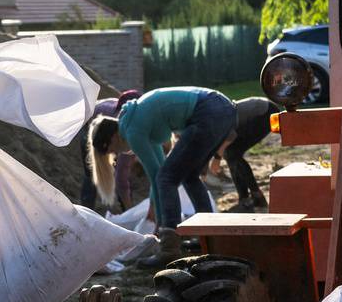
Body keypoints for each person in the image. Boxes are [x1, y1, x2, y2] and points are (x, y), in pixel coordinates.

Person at [86, 85, 236, 262]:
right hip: (223, 108)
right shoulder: (137, 119)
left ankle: (169, 247)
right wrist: (157, 216)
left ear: (112, 138)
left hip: (207, 111)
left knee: (168, 178)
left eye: (112, 151)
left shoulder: (132, 130)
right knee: (189, 176)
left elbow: (157, 177)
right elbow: (158, 171)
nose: (116, 154)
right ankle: (209, 235)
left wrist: (160, 225)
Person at [217, 97, 279, 211]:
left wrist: (217, 156)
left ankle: (255, 197)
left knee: (232, 153)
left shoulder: (214, 119)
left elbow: (231, 135)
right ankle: (246, 198)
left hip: (266, 112)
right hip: (260, 110)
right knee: (230, 153)